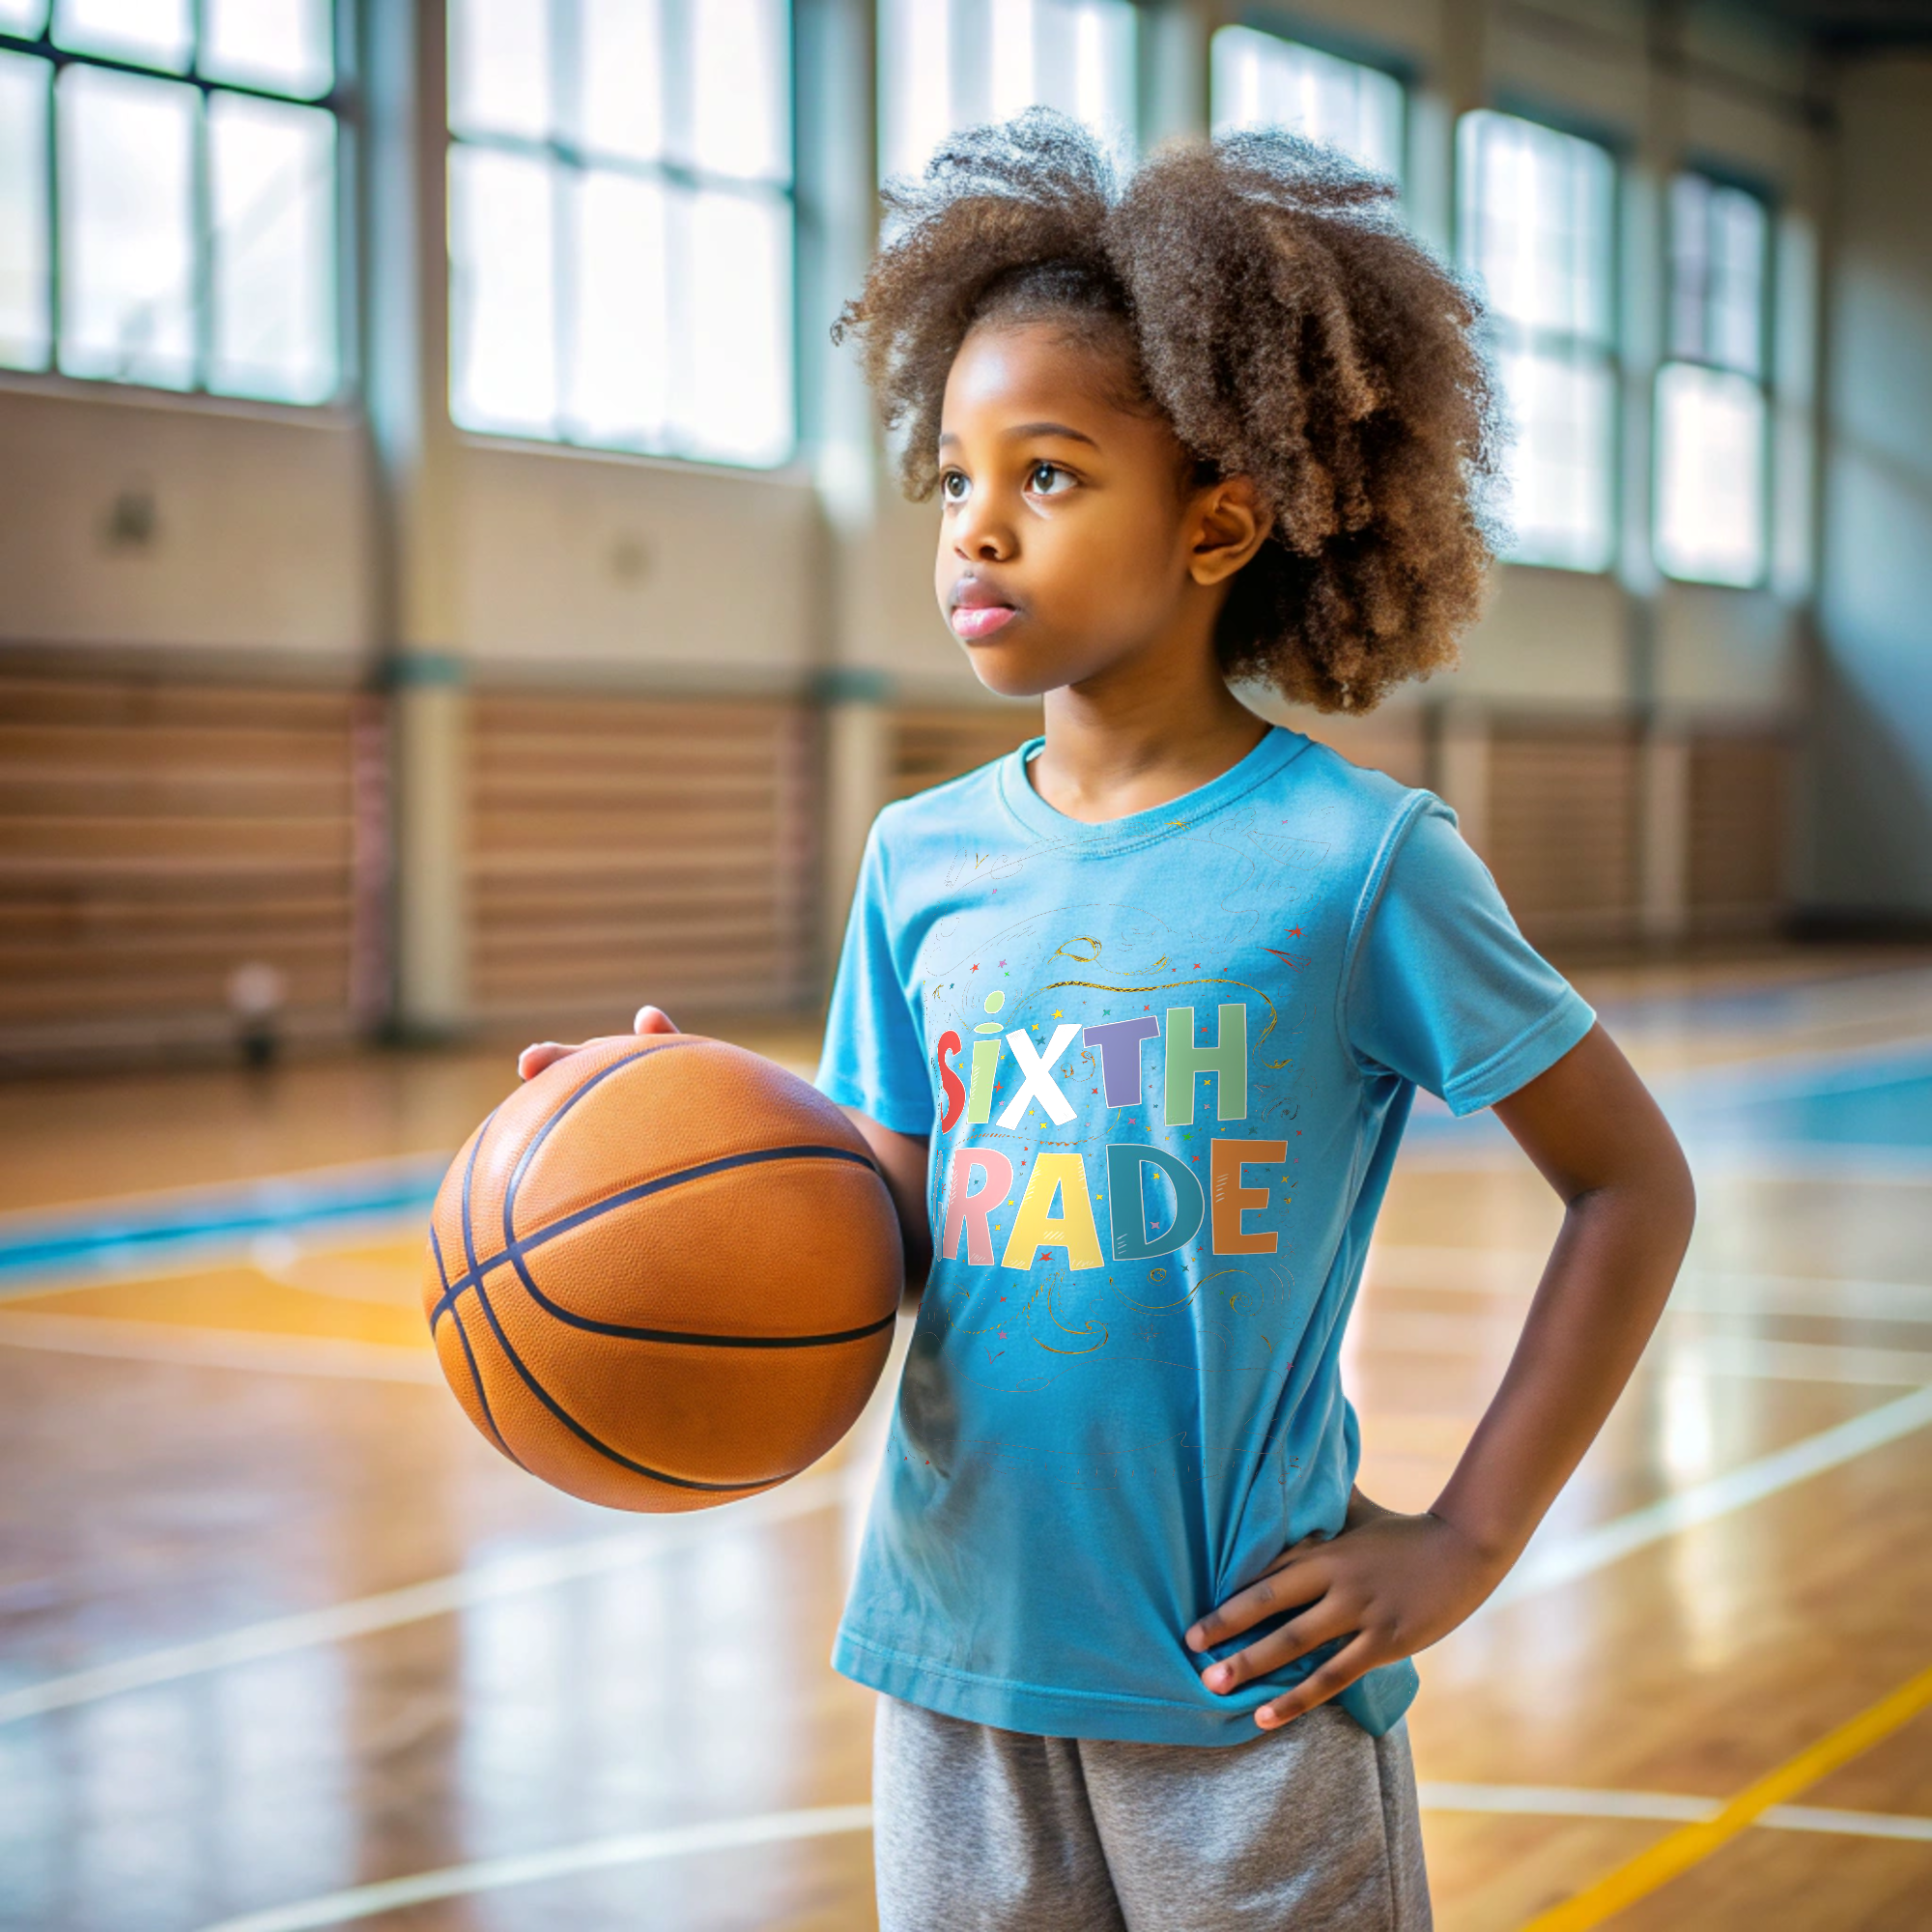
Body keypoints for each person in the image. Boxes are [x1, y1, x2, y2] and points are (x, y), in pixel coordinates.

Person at [521, 112, 1694, 1932]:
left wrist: (1466, 1539)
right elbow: (893, 1224)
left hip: (1243, 1670)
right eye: (956, 476)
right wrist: (667, 1131)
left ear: (1220, 518)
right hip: (951, 1651)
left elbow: (1633, 1186)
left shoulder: (1356, 862)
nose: (977, 523)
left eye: (1050, 474)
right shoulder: (921, 861)